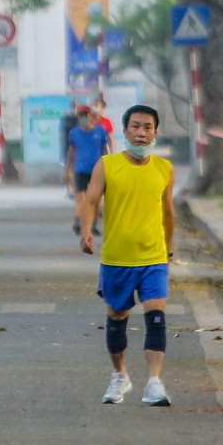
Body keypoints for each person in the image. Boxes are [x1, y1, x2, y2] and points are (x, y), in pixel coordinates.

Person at [79, 105, 175, 406]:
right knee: (117, 317)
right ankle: (119, 376)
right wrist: (86, 231)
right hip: (117, 258)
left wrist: (168, 248)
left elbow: (168, 212)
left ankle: (155, 383)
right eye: (135, 126)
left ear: (155, 132)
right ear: (125, 130)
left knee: (156, 317)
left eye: (148, 127)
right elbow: (91, 200)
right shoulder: (107, 165)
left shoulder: (164, 169)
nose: (141, 133)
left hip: (154, 258)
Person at [66, 105, 109, 235]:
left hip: (97, 169)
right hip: (80, 169)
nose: (83, 118)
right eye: (81, 116)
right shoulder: (74, 133)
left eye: (85, 115)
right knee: (80, 196)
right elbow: (71, 152)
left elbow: (105, 149)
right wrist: (68, 169)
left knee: (95, 199)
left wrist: (108, 165)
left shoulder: (100, 131)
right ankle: (78, 221)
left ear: (90, 116)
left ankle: (93, 224)